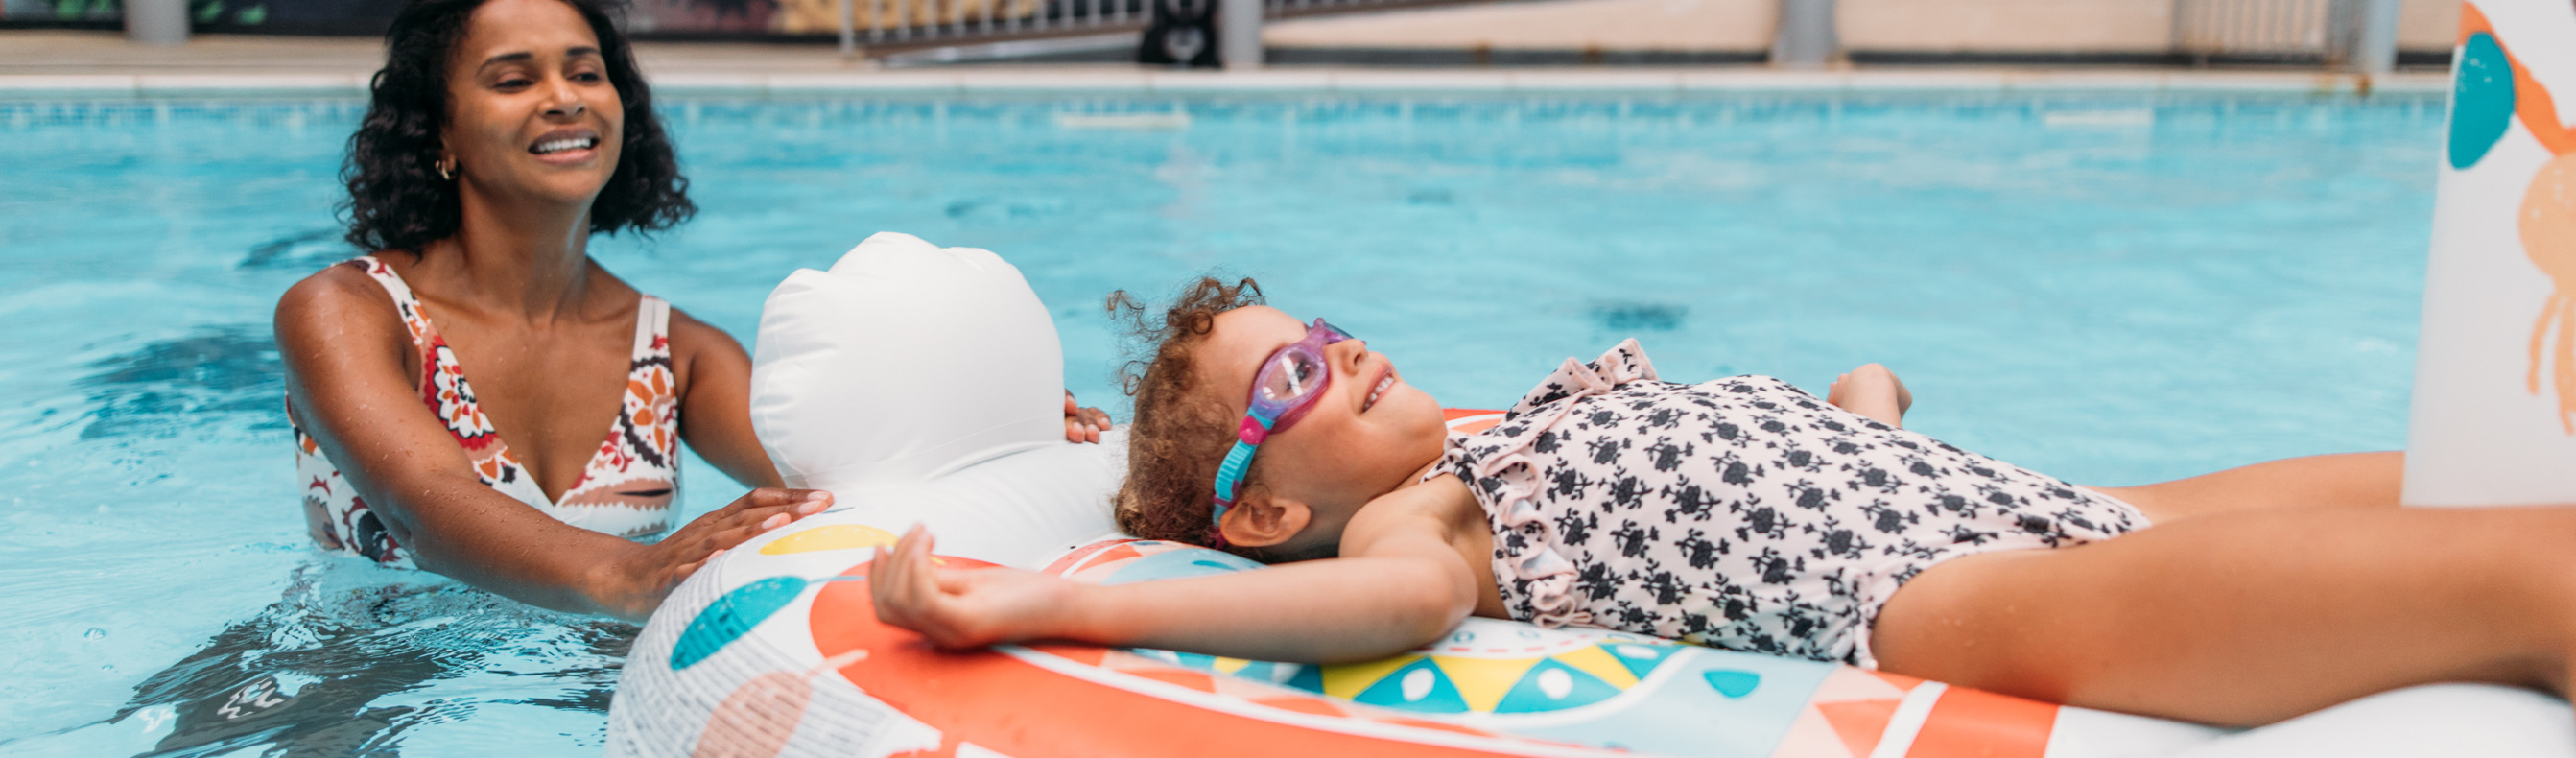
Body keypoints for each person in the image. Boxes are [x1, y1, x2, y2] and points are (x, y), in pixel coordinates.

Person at [868, 276, 2569, 728]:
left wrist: (1864, 410)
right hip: (1953, 594)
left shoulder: (1508, 427)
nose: (1342, 353)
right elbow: (1390, 618)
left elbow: (1742, 473)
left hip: (2037, 497)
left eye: (1318, 329)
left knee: (2494, 481)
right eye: (1291, 382)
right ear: (1254, 513)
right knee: (2534, 583)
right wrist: (1040, 602)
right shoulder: (1429, 527)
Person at [276, 0, 1110, 623]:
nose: (565, 98)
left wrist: (997, 427)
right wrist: (630, 575)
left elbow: (838, 473)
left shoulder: (674, 352)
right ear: (440, 133)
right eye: (513, 78)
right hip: (359, 671)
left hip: (590, 671)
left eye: (586, 71)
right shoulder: (346, 311)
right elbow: (423, 506)